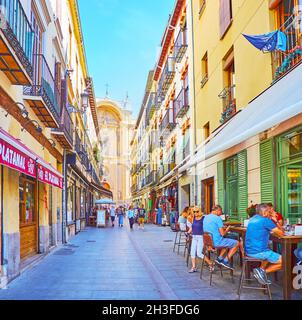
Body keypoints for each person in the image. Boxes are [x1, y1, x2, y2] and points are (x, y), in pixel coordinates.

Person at [245, 203, 285, 285]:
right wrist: (275, 219)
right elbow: (281, 233)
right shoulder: (265, 220)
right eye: (269, 211)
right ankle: (261, 272)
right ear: (265, 212)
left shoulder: (252, 219)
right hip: (259, 252)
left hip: (249, 250)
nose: (270, 213)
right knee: (285, 262)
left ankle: (260, 272)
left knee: (268, 252)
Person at [203, 205, 241, 270]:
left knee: (228, 241)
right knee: (237, 243)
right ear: (218, 210)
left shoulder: (206, 217)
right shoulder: (218, 218)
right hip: (217, 242)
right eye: (221, 211)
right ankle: (225, 261)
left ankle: (220, 258)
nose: (221, 213)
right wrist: (227, 229)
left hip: (209, 242)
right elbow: (223, 234)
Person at [188, 207, 214, 273]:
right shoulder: (193, 218)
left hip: (201, 237)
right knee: (192, 253)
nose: (195, 213)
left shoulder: (203, 218)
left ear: (199, 211)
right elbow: (192, 226)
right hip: (194, 237)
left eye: (197, 211)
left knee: (199, 253)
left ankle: (210, 263)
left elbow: (207, 227)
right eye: (194, 211)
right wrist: (188, 232)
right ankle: (193, 267)